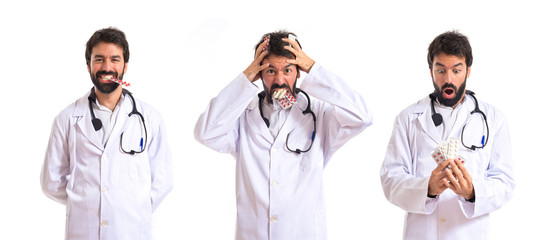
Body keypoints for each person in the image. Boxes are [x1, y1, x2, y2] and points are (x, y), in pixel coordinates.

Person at [195, 30, 372, 240]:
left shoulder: (320, 115)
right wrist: (245, 78)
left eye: (287, 70)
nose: (280, 80)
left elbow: (362, 117)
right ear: (259, 74)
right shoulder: (242, 116)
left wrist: (314, 68)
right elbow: (205, 133)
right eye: (270, 71)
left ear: (299, 72)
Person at [380, 30, 515, 240]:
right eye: (440, 70)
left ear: (468, 71)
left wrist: (472, 192)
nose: (448, 79)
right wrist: (427, 189)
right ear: (431, 70)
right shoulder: (408, 118)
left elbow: (505, 182)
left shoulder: (493, 119)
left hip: (468, 233)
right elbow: (390, 180)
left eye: (456, 70)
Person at [40, 27, 173, 240]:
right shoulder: (67, 118)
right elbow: (51, 181)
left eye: (115, 59)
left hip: (131, 230)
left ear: (125, 66)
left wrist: (131, 206)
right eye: (99, 59)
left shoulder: (150, 117)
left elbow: (163, 179)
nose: (107, 67)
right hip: (84, 231)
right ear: (89, 66)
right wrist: (86, 200)